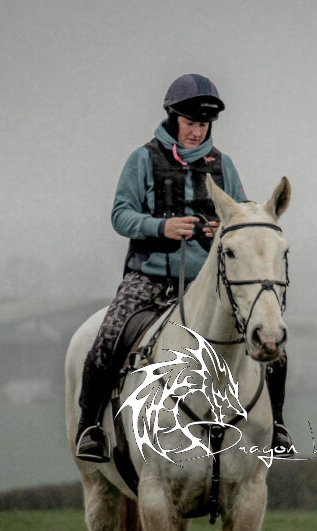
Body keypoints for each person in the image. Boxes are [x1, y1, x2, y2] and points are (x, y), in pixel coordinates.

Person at [75, 73, 293, 463]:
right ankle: (90, 427)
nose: (196, 131)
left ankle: (276, 424)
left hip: (206, 283)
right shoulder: (142, 159)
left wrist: (218, 228)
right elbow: (121, 215)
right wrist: (162, 227)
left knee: (269, 335)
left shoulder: (223, 165)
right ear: (173, 118)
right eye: (190, 122)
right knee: (108, 335)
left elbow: (241, 218)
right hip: (149, 275)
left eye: (204, 124)